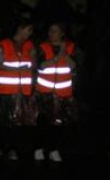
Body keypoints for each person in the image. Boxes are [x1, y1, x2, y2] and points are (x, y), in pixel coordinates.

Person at [0, 19, 37, 161]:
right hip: (5, 92)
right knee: (2, 121)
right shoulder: (4, 44)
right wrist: (16, 69)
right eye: (28, 30)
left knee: (18, 123)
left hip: (23, 92)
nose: (30, 33)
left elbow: (33, 66)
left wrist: (33, 56)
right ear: (20, 28)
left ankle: (13, 149)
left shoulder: (29, 45)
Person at [33, 22, 77, 162]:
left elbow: (74, 65)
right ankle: (39, 149)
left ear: (62, 33)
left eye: (55, 31)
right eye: (50, 31)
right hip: (44, 93)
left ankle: (54, 150)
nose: (52, 34)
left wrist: (64, 54)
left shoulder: (71, 47)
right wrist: (57, 58)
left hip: (63, 93)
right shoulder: (43, 47)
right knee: (43, 122)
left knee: (58, 124)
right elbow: (40, 66)